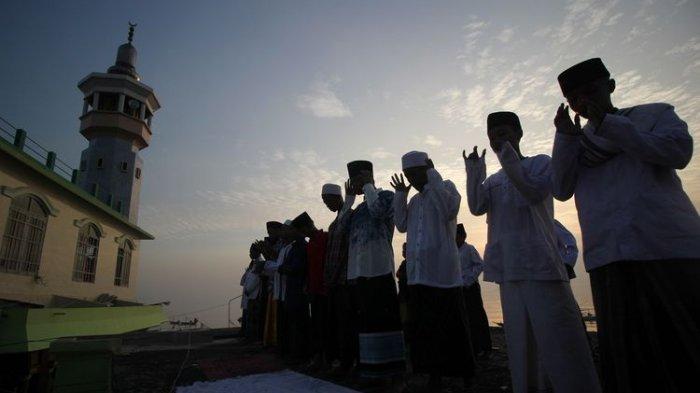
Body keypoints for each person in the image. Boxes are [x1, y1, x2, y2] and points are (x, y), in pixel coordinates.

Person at [552, 57, 700, 393]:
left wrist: (608, 123)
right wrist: (564, 138)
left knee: (684, 339)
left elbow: (678, 152)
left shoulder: (653, 115)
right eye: (575, 99)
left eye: (590, 91)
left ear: (611, 86)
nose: (584, 102)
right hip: (610, 254)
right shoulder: (576, 140)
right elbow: (560, 189)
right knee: (628, 353)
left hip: (667, 247)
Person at [464, 111, 601, 393]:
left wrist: (508, 160)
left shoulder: (540, 164)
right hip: (508, 270)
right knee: (520, 342)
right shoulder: (494, 179)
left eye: (503, 134)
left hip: (541, 266)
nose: (498, 142)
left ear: (519, 133)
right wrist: (475, 170)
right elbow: (477, 207)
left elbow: (532, 192)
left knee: (560, 339)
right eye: (493, 138)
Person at [392, 151, 474, 390]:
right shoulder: (415, 201)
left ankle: (465, 372)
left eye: (414, 173)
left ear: (427, 169)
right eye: (408, 175)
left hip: (443, 273)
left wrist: (432, 175)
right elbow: (401, 225)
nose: (411, 178)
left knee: (454, 326)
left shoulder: (446, 187)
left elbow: (448, 210)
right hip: (419, 275)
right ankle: (433, 373)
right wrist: (400, 196)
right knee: (427, 329)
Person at [346, 160, 405, 380]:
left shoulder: (386, 197)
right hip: (357, 274)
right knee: (364, 324)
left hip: (379, 270)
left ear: (370, 176)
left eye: (360, 178)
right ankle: (369, 371)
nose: (357, 183)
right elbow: (342, 228)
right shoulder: (357, 209)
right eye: (355, 180)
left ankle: (392, 373)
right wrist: (349, 200)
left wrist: (369, 186)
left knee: (384, 322)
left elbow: (379, 213)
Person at [321, 182, 357, 375]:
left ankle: (348, 363)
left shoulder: (349, 216)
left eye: (328, 200)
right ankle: (340, 361)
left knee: (346, 324)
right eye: (324, 201)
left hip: (344, 280)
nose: (326, 204)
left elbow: (346, 251)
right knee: (336, 324)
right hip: (333, 282)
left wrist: (335, 276)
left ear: (338, 198)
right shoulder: (333, 223)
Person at [293, 210, 329, 370]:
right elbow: (309, 269)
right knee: (316, 326)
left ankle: (329, 358)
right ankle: (318, 357)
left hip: (327, 291)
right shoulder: (310, 246)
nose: (302, 234)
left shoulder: (326, 238)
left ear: (308, 226)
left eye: (302, 230)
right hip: (314, 291)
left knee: (328, 326)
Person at [456, 223, 492, 356]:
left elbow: (480, 265)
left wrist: (469, 280)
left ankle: (485, 347)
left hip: (471, 288)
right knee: (465, 318)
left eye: (457, 236)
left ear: (462, 236)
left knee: (477, 317)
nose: (455, 239)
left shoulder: (469, 249)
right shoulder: (453, 251)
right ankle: (472, 347)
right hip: (459, 288)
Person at [281, 213, 312, 363]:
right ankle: (295, 352)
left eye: (292, 230)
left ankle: (301, 354)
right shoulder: (293, 247)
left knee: (300, 324)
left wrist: (284, 269)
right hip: (292, 290)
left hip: (299, 291)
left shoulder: (302, 247)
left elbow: (296, 269)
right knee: (293, 323)